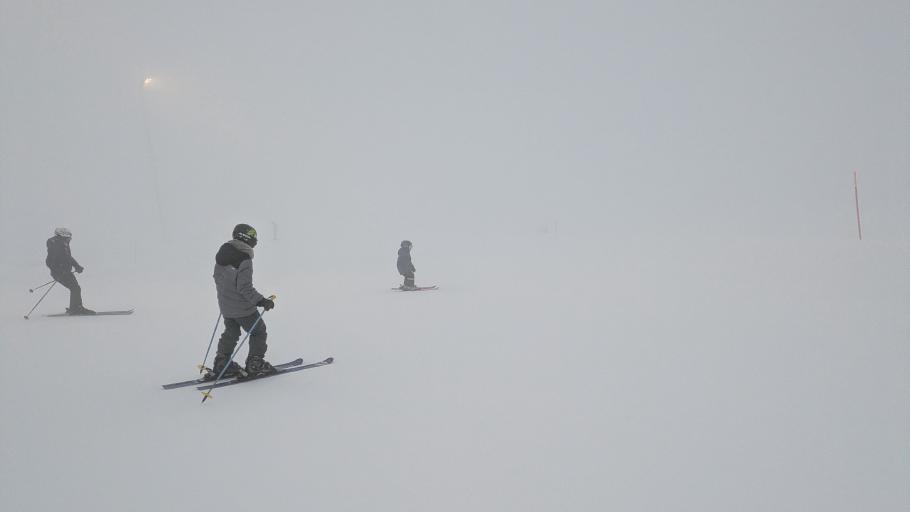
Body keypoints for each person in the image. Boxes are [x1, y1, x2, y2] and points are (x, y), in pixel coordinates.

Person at [211, 223, 277, 377]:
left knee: (231, 332)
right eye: (254, 237)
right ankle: (255, 363)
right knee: (258, 331)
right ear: (246, 238)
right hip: (242, 308)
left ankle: (222, 363)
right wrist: (261, 301)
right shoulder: (244, 258)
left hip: (226, 306)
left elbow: (218, 278)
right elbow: (244, 287)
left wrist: (227, 297)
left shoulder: (223, 254)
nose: (256, 241)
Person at [46, 227, 94, 315]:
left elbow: (68, 258)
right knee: (75, 288)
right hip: (61, 273)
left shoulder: (62, 244)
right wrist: (59, 271)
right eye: (68, 237)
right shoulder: (57, 245)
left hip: (65, 272)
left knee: (75, 288)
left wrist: (77, 266)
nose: (70, 239)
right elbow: (50, 261)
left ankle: (75, 307)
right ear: (63, 236)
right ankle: (76, 308)